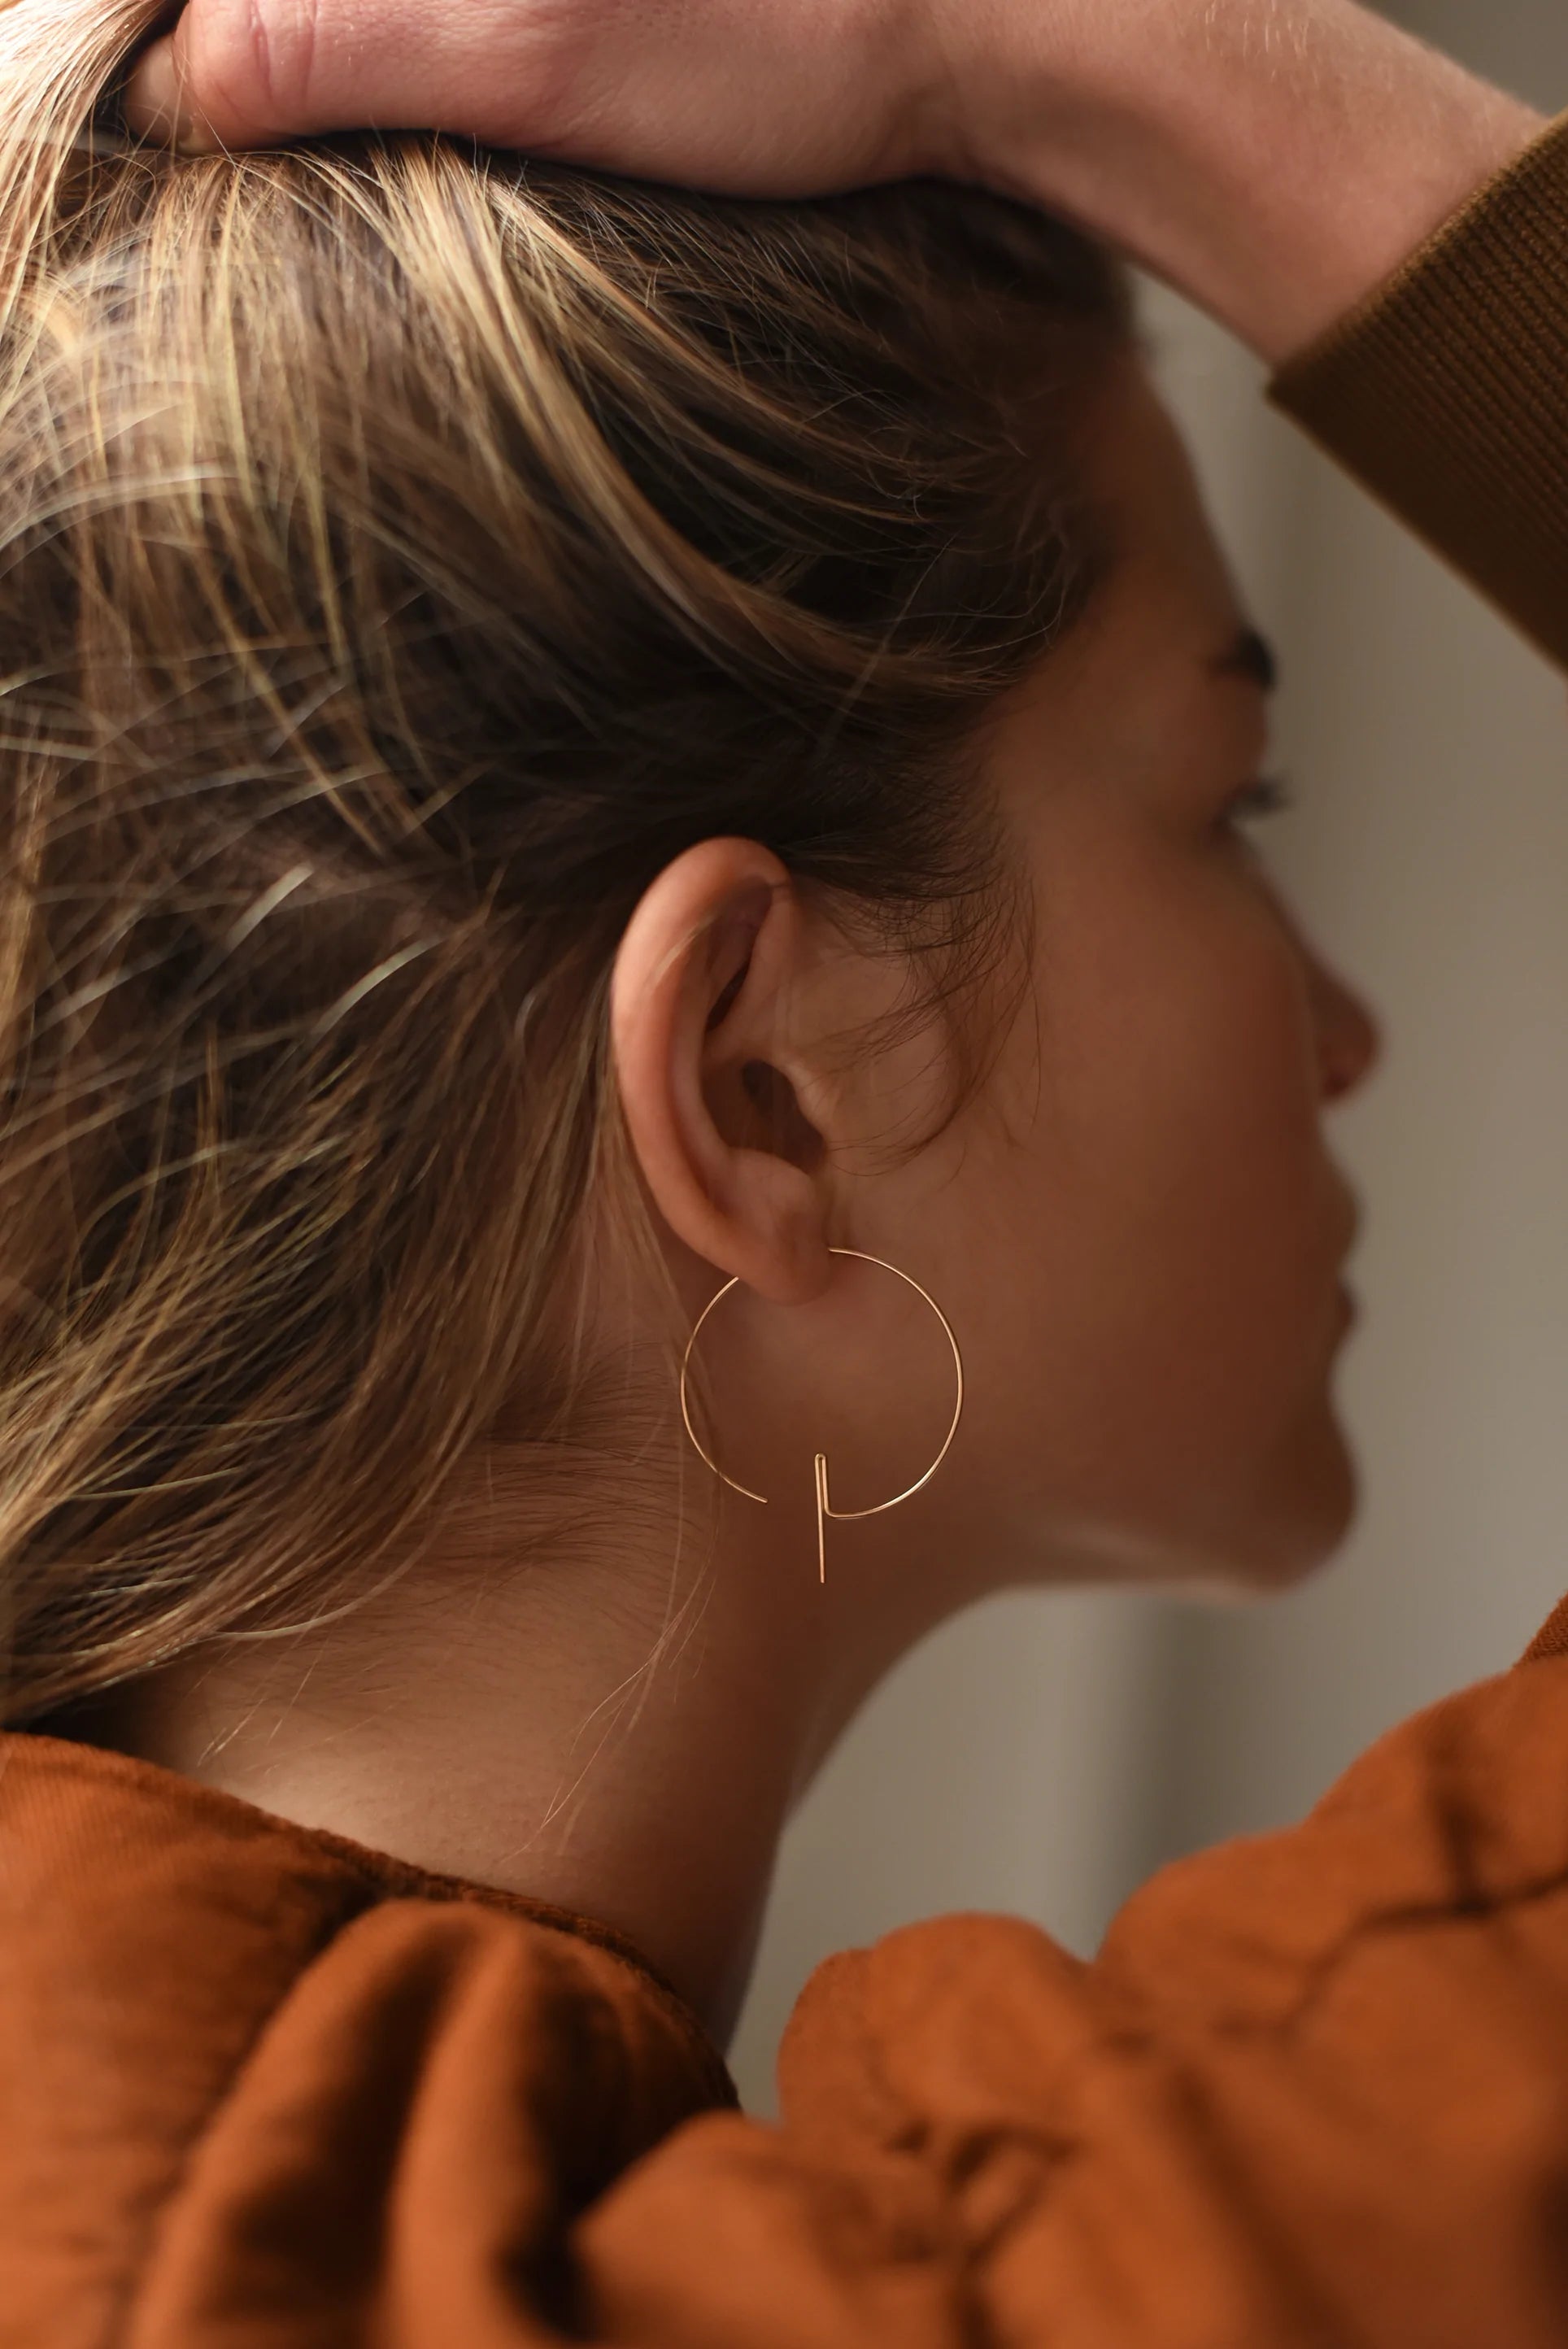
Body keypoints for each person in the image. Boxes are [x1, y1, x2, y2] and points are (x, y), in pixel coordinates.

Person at [2, 0, 1566, 2342]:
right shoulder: (1102, 2267)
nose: (1346, 1027)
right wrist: (1051, 57)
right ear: (761, 1082)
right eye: (1232, 801)